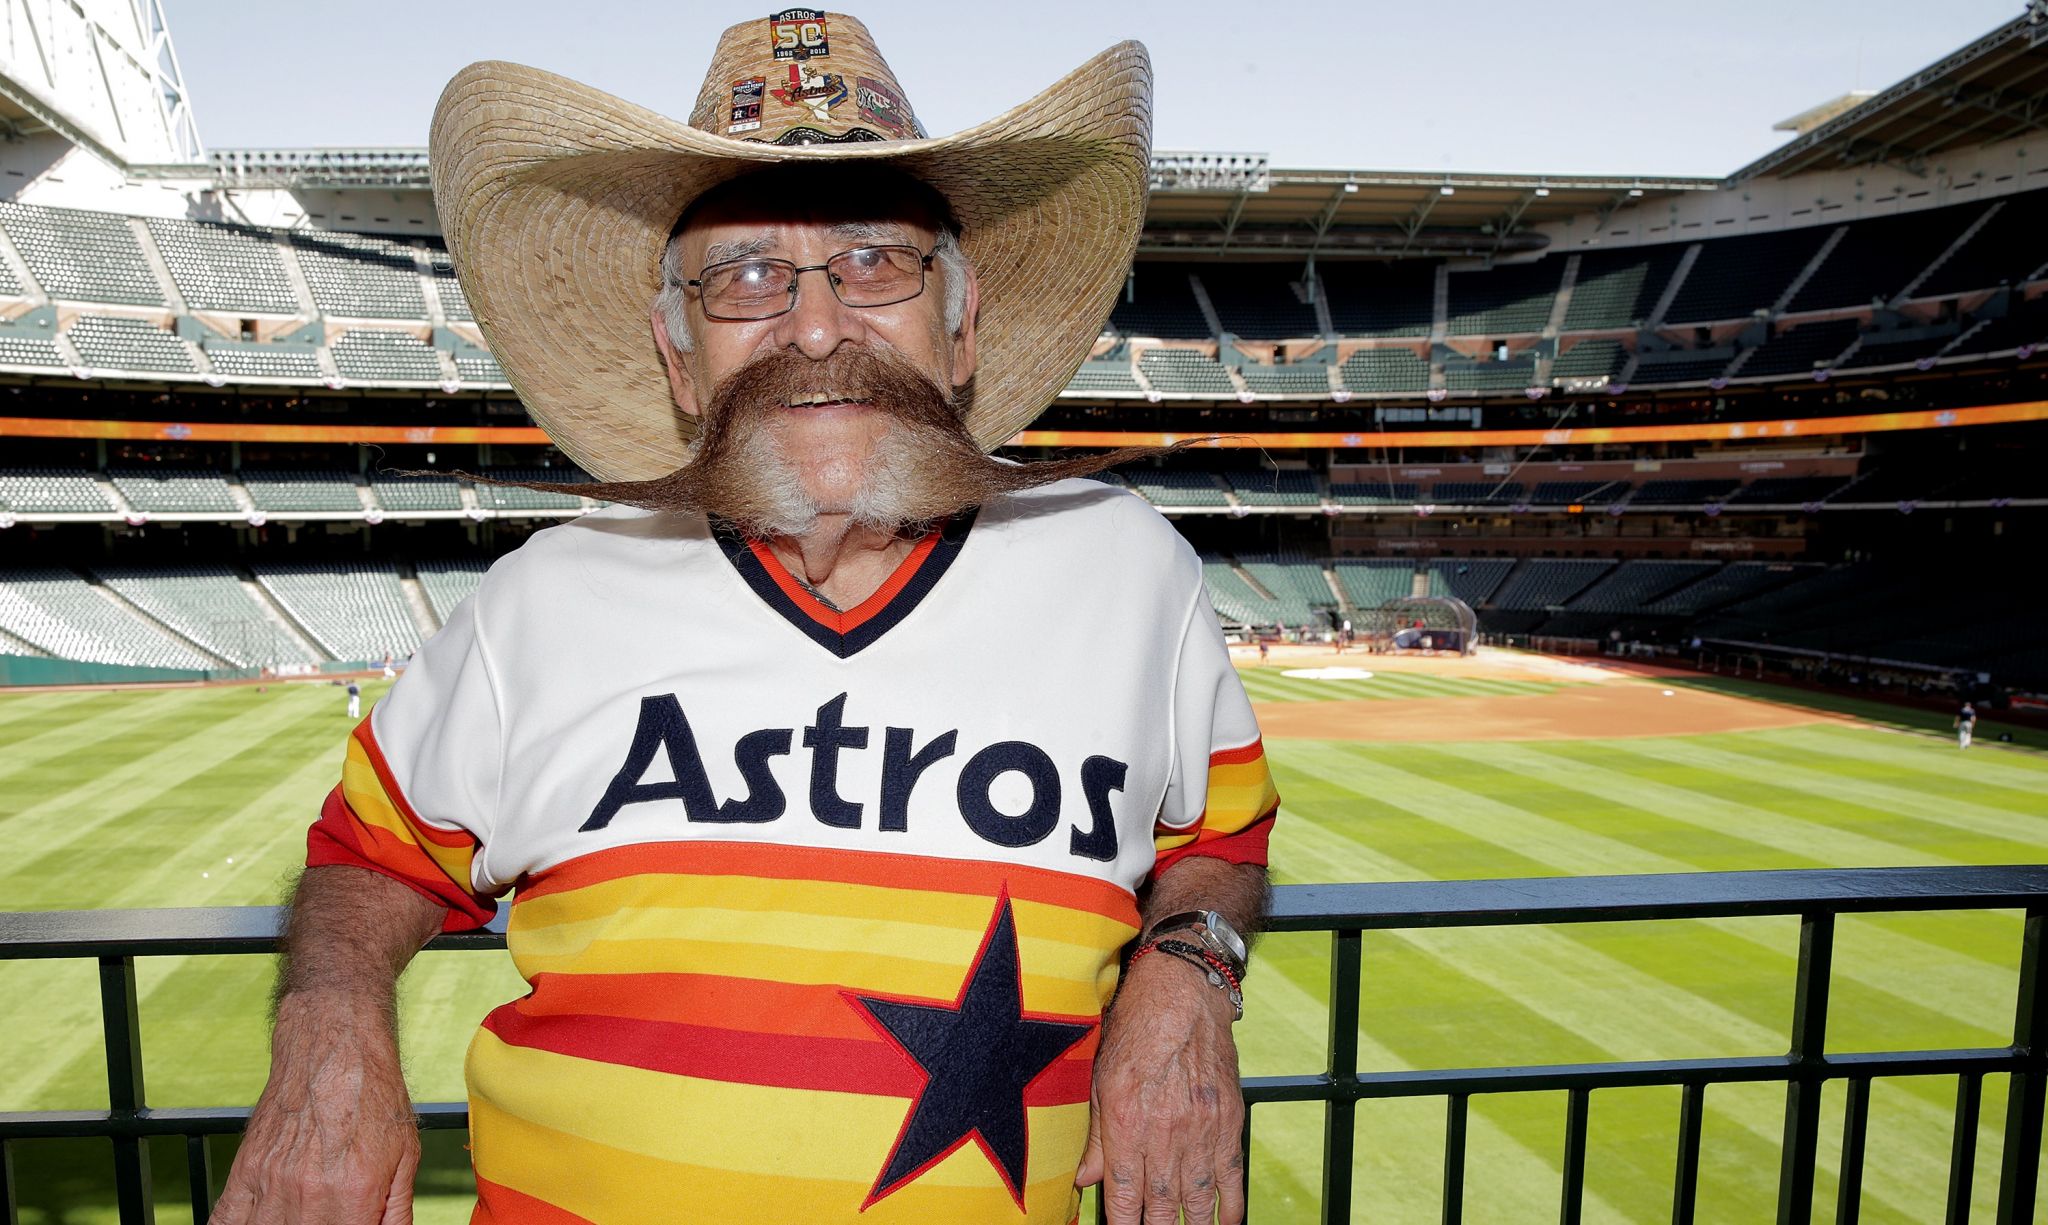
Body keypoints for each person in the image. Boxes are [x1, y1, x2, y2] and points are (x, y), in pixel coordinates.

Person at [216, 16, 1274, 1225]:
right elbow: (369, 860)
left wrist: (1186, 971)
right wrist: (329, 1027)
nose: (815, 327)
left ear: (964, 328)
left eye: (876, 261)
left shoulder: (1127, 571)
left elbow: (1219, 839)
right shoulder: (545, 595)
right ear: (678, 359)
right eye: (746, 277)